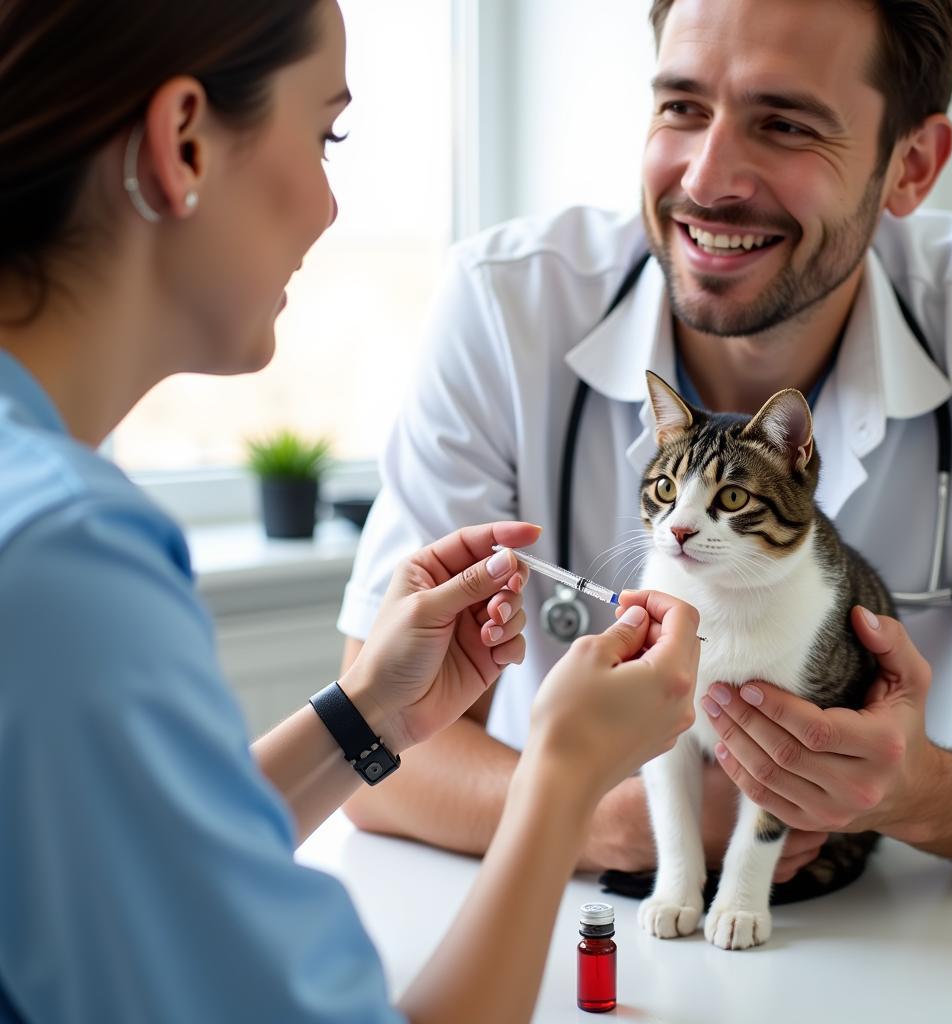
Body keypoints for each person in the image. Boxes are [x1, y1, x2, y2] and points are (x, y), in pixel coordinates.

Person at [0, 2, 702, 1022]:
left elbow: (138, 864)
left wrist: (365, 716)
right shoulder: (65, 565)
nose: (331, 207)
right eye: (325, 134)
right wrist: (564, 777)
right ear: (182, 139)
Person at [339, 0, 952, 878]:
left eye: (784, 123)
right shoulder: (504, 304)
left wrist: (908, 790)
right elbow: (375, 758)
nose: (708, 178)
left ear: (911, 165)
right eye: (682, 107)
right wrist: (608, 824)